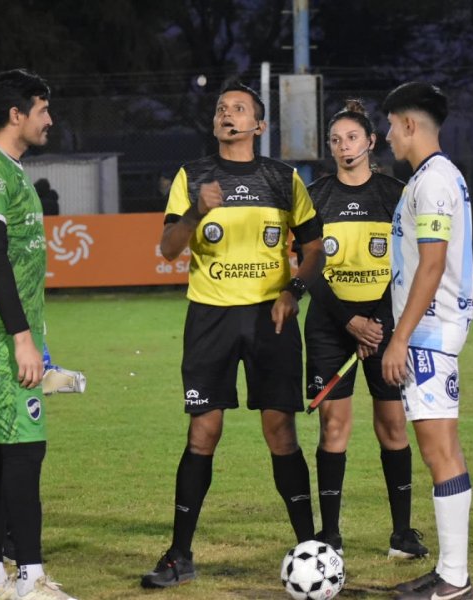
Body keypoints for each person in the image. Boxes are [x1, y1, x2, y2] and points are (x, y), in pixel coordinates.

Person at [140, 81, 325, 589]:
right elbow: (169, 249)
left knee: (280, 432)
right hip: (210, 319)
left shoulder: (283, 178)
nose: (227, 114)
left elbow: (315, 248)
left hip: (272, 318)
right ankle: (179, 555)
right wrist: (199, 212)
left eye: (239, 109)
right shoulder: (192, 175)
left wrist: (294, 290)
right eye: (222, 108)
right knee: (203, 432)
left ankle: (310, 548)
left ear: (258, 126)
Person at [0, 68, 76, 600]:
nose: (49, 119)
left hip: (5, 328)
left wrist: (37, 339)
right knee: (26, 449)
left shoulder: (8, 167)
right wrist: (21, 338)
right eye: (43, 109)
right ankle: (29, 580)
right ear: (16, 114)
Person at [302, 99, 428, 560]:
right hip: (330, 327)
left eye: (352, 137)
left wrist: (377, 321)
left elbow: (410, 265)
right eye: (335, 140)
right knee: (333, 428)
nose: (343, 147)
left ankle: (402, 534)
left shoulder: (396, 194)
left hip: (385, 327)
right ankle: (330, 535)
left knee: (393, 424)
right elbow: (310, 269)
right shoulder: (314, 197)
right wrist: (350, 321)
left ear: (371, 142)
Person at [381, 82, 473, 600]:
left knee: (439, 451)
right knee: (445, 450)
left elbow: (433, 263)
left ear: (410, 125)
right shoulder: (434, 178)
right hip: (433, 330)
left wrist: (400, 339)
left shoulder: (432, 182)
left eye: (391, 124)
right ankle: (450, 571)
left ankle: (455, 579)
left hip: (429, 333)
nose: (387, 134)